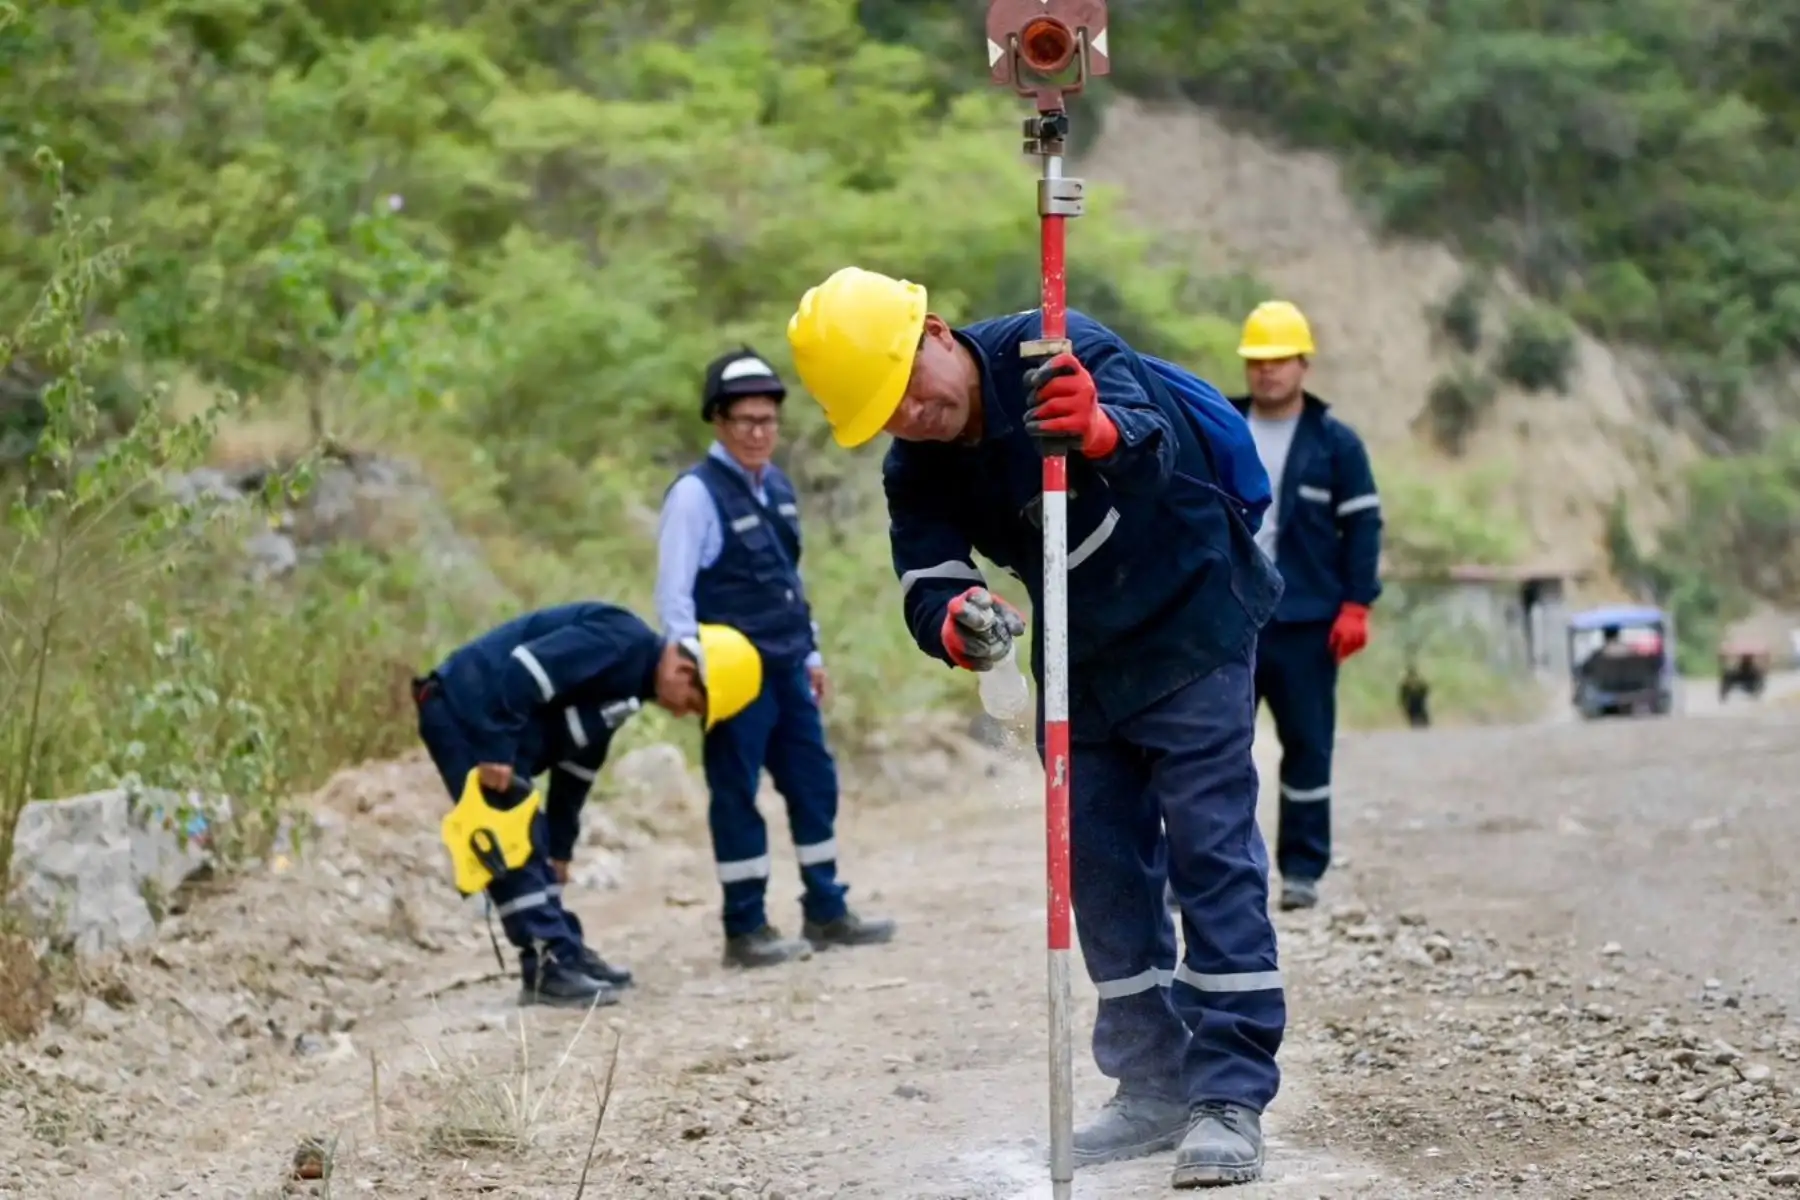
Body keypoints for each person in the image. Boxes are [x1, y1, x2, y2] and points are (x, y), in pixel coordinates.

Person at [786, 266, 1286, 1189]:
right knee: (1099, 870)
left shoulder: (1058, 349)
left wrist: (1097, 428)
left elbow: (1153, 446)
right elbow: (926, 571)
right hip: (1078, 664)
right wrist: (956, 618)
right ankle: (1152, 1084)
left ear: (937, 332)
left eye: (908, 385)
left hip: (1191, 624)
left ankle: (1228, 1093)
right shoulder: (916, 467)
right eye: (884, 413)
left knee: (1210, 851)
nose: (910, 415)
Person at [655, 346, 897, 970]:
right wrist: (688, 665)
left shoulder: (780, 489)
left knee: (814, 783)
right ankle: (746, 928)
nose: (759, 433)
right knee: (736, 793)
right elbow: (674, 596)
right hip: (733, 675)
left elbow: (790, 579)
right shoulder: (695, 496)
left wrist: (812, 651)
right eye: (745, 421)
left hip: (789, 665)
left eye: (768, 420)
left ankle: (826, 909)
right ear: (718, 421)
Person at [413, 603, 762, 1007]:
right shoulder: (622, 641)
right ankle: (546, 967)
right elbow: (524, 670)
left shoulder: (630, 687)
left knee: (535, 841)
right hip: (465, 713)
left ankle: (564, 952)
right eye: (693, 703)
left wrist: (561, 847)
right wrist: (495, 748)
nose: (683, 712)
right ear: (685, 671)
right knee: (507, 840)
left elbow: (577, 766)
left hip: (493, 725)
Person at [1229, 300, 1383, 913]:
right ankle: (1206, 876)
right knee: (1211, 753)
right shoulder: (1221, 426)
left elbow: (1363, 529)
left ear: (1304, 365)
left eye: (1279, 360)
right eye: (1257, 360)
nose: (1267, 371)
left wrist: (1357, 605)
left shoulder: (1335, 445)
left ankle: (1301, 870)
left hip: (1307, 622)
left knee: (1308, 748)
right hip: (1229, 620)